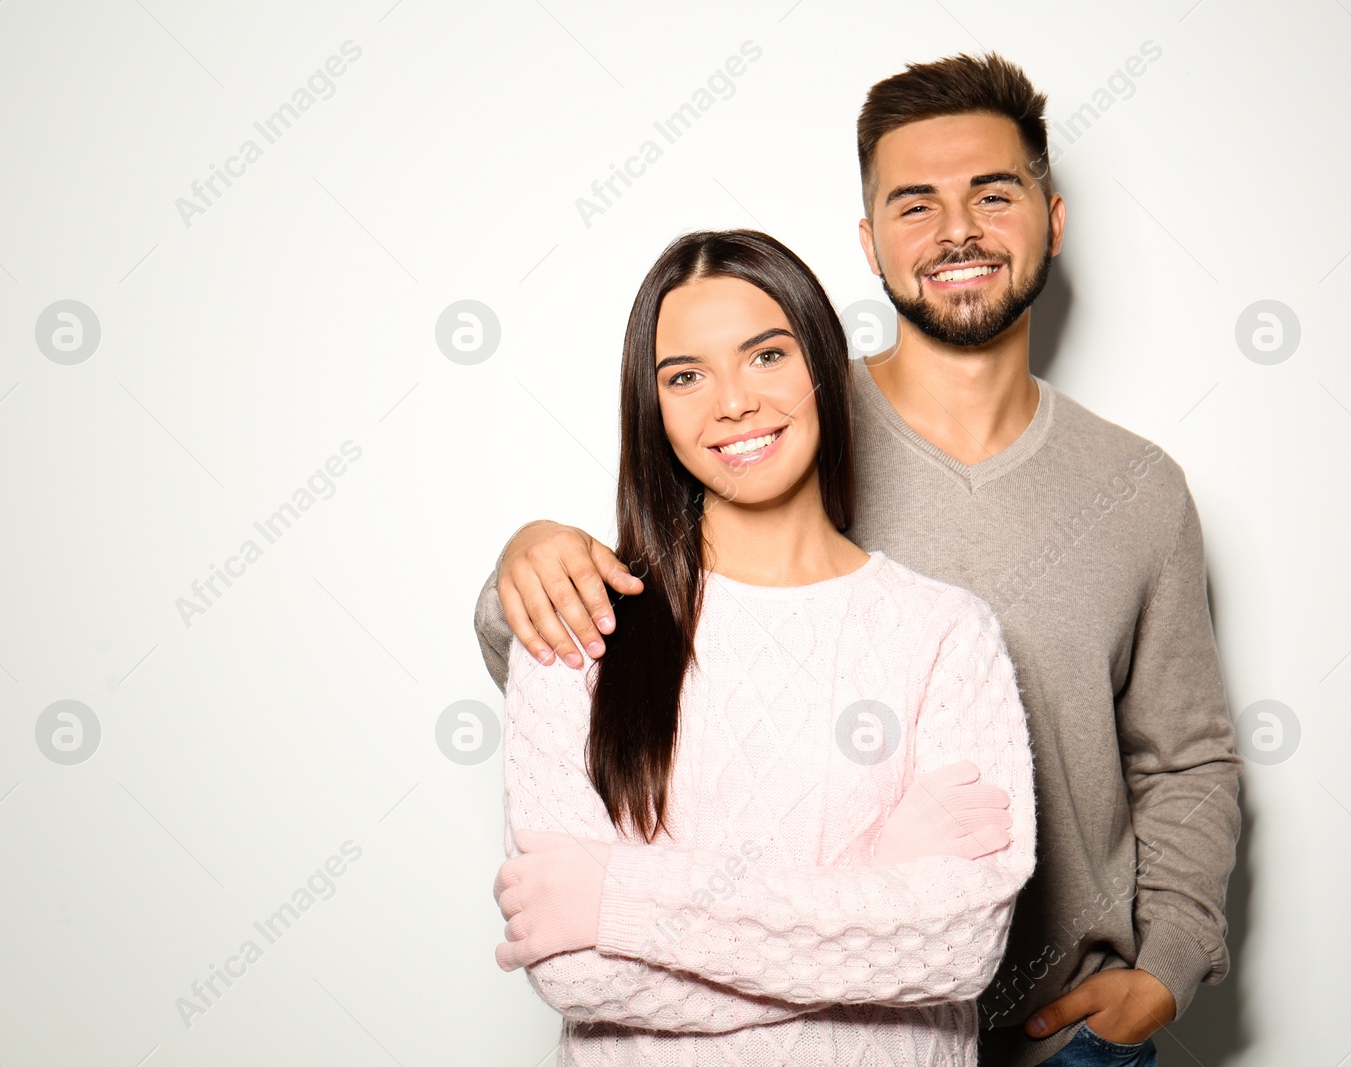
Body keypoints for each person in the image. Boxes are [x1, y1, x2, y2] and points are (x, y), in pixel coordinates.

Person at [475, 54, 1241, 1067]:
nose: (957, 229)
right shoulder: (769, 420)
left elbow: (1184, 755)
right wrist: (522, 557)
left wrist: (1169, 964)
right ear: (868, 243)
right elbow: (610, 617)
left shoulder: (1137, 488)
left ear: (1052, 220)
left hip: (1062, 1034)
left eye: (993, 194)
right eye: (914, 203)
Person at [491, 228, 1037, 1065]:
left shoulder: (947, 634)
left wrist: (620, 902)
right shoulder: (575, 622)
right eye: (685, 376)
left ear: (822, 364)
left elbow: (959, 949)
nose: (733, 403)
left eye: (766, 356)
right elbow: (577, 973)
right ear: (654, 408)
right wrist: (871, 901)